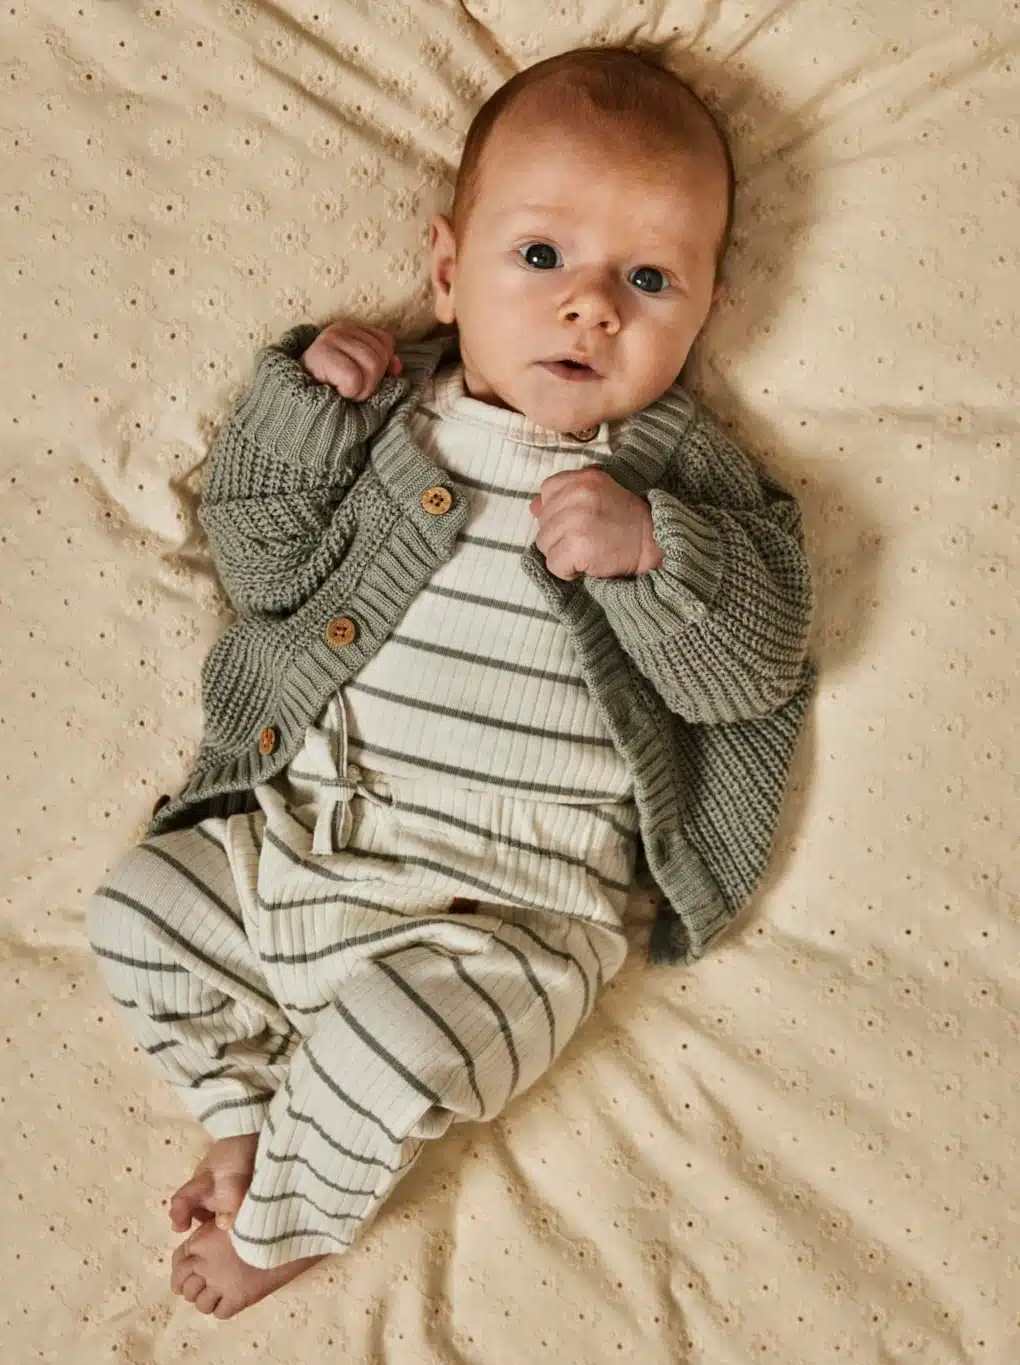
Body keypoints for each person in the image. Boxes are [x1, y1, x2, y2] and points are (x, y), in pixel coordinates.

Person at [85, 45, 815, 1319]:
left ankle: (286, 1220)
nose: (590, 308)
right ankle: (245, 1114)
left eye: (648, 280)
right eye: (541, 256)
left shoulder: (684, 481)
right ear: (445, 271)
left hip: (512, 920)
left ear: (708, 309)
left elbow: (751, 673)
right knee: (136, 909)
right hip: (303, 850)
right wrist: (306, 409)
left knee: (397, 1048)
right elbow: (259, 561)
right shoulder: (390, 420)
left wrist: (657, 554)